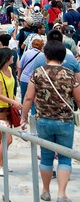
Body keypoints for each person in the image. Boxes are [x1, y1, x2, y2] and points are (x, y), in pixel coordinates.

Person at [22, 40, 80, 202]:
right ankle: (61, 194)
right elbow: (79, 99)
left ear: (46, 55)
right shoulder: (69, 74)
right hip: (65, 121)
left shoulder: (38, 73)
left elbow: (28, 97)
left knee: (46, 157)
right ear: (63, 56)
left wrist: (23, 117)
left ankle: (46, 191)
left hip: (43, 121)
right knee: (64, 157)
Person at [0, 48, 22, 176]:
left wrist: (15, 101)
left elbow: (9, 90)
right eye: (11, 56)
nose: (13, 58)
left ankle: (2, 164)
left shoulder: (9, 70)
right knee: (7, 139)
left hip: (9, 108)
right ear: (6, 58)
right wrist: (14, 102)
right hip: (0, 110)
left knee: (6, 139)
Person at [18, 38, 44, 104]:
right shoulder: (42, 56)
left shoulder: (26, 53)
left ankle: (23, 113)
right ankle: (33, 113)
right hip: (35, 80)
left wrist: (19, 76)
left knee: (23, 97)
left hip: (24, 78)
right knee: (34, 99)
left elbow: (20, 66)